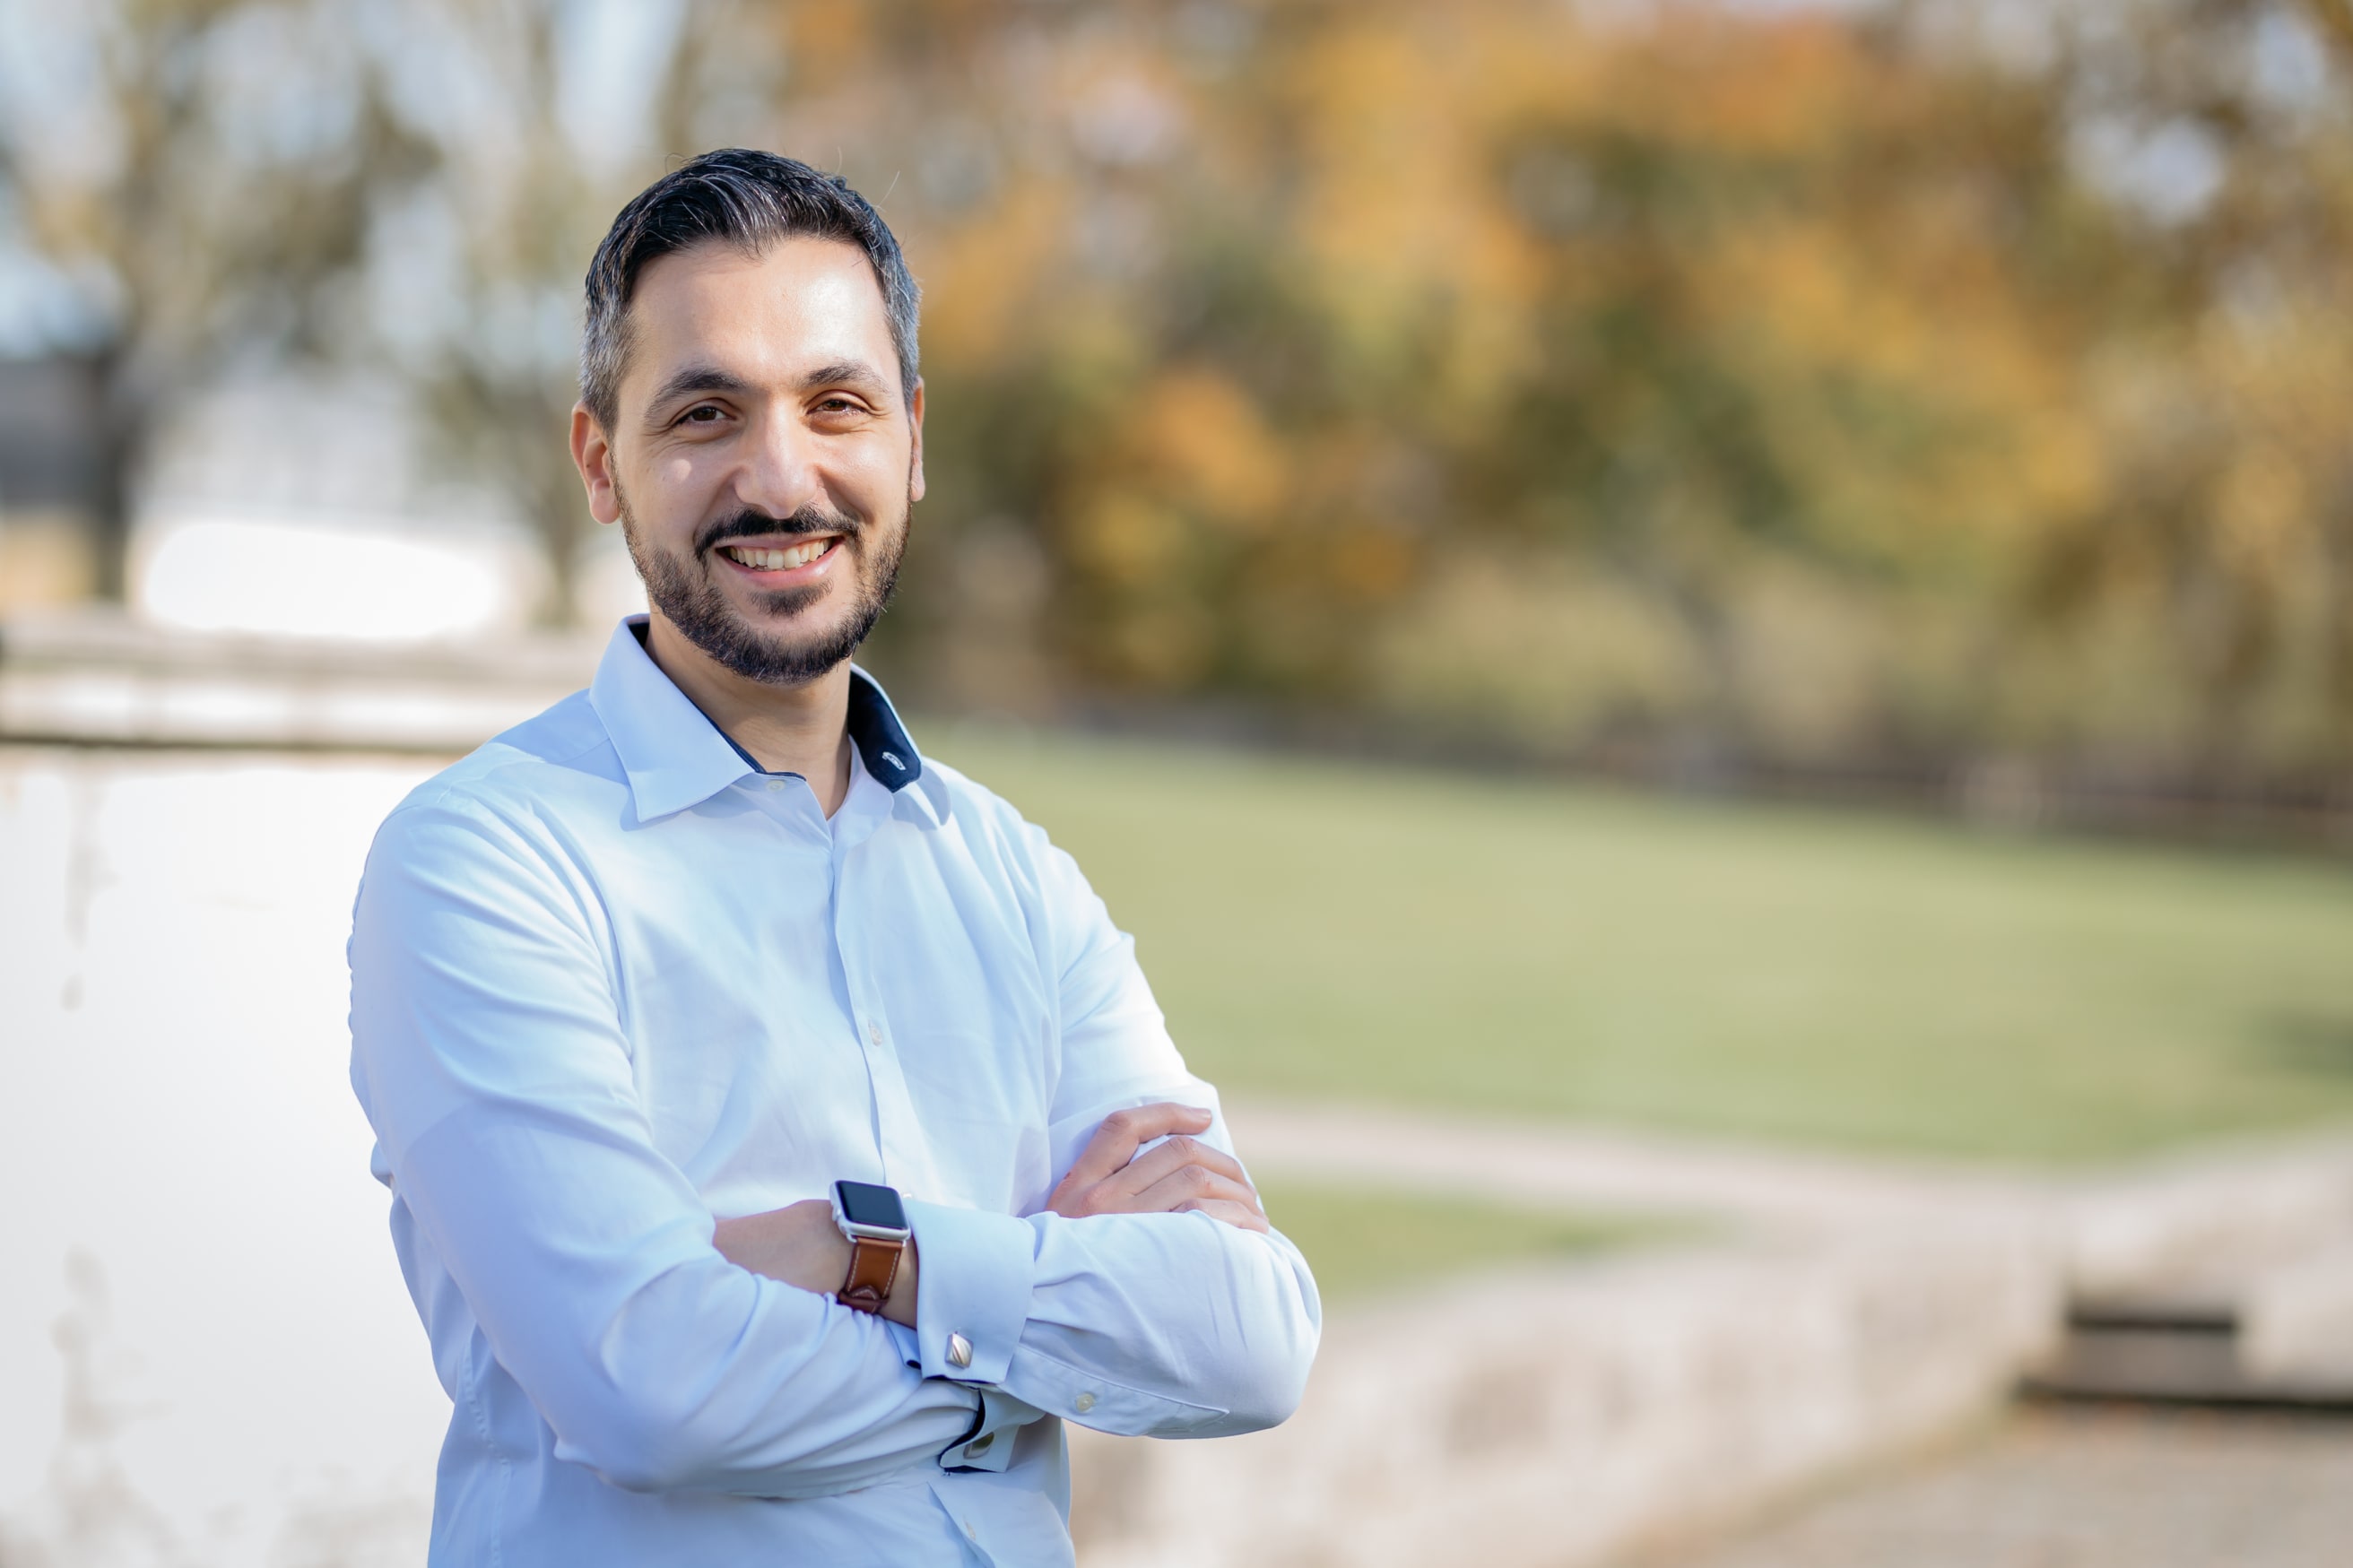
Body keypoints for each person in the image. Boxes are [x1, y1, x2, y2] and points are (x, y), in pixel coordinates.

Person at [345, 149, 1320, 1567]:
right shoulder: (484, 864)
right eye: (706, 414)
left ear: (912, 441)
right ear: (601, 463)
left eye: (836, 404)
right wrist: (1038, 1334)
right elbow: (653, 1386)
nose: (780, 475)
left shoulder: (1013, 877)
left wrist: (870, 1254)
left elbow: (1252, 1336)